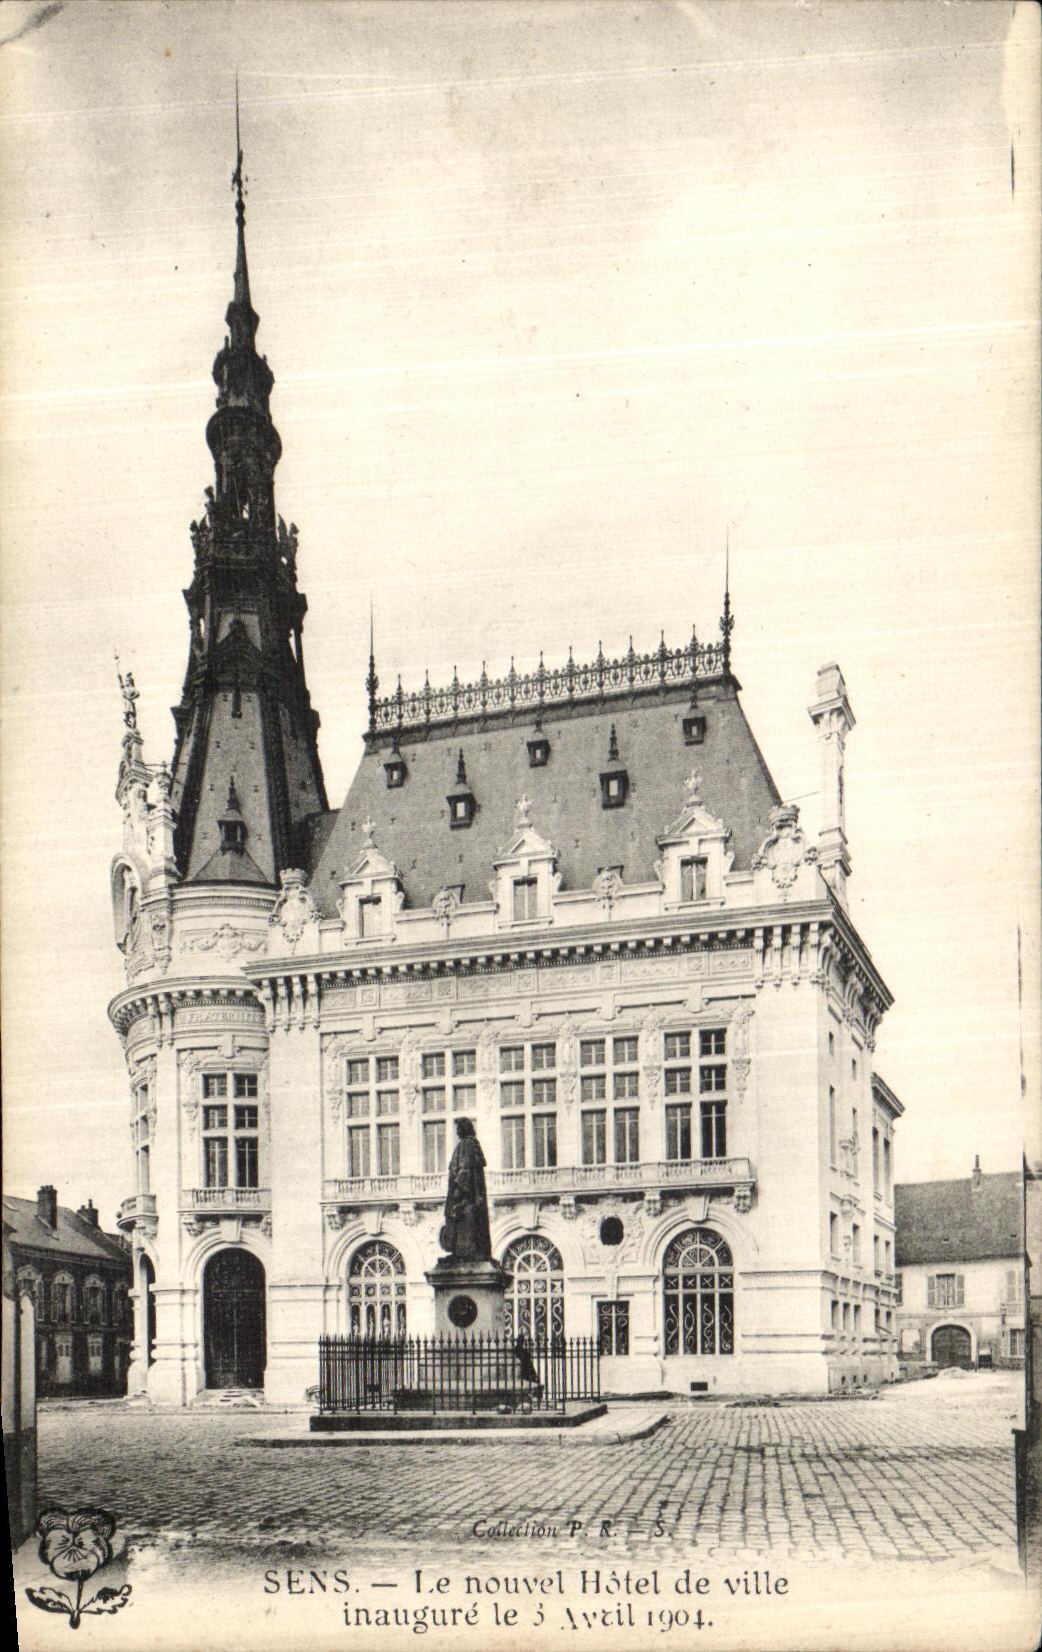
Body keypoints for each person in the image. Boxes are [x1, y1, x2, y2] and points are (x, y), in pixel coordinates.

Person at [439, 1118, 492, 1262]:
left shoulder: (465, 1145)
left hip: (463, 1198)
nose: (456, 1131)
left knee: (461, 1222)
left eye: (458, 1128)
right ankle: (465, 1252)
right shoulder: (473, 1144)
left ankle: (463, 1253)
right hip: (470, 1198)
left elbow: (464, 1171)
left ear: (464, 1128)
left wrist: (458, 1193)